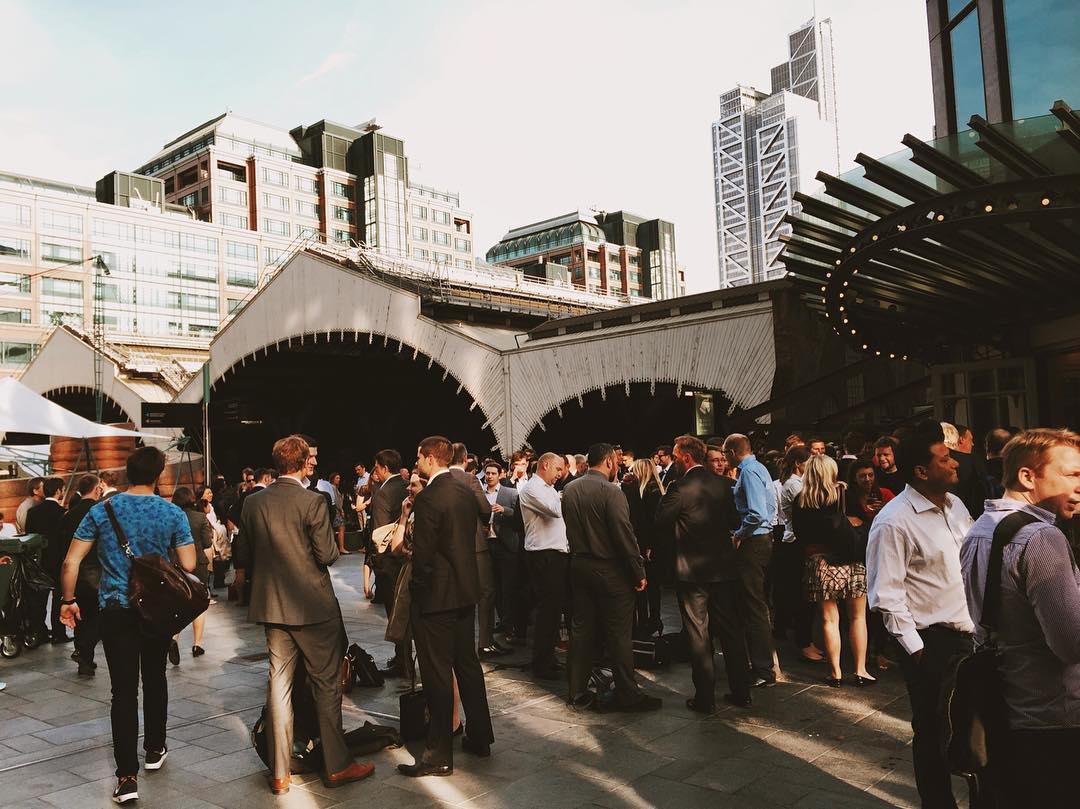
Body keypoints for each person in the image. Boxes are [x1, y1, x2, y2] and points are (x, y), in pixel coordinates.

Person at [58, 447, 197, 804]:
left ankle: (126, 777)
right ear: (158, 474)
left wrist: (68, 601)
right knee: (155, 677)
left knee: (122, 691)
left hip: (116, 608)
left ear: (126, 474)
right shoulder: (172, 512)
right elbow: (189, 563)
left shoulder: (101, 510)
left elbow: (72, 561)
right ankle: (155, 748)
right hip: (156, 609)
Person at [240, 435, 373, 795]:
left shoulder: (253, 502)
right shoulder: (313, 501)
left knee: (279, 686)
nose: (313, 464)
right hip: (313, 606)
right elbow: (328, 555)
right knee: (326, 685)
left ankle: (280, 771)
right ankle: (337, 765)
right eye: (310, 460)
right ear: (301, 464)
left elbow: (246, 554)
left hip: (272, 605)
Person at [960, 429, 1080, 808]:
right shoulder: (1042, 538)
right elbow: (1071, 644)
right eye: (1072, 475)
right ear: (1028, 476)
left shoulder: (980, 528)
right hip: (1053, 717)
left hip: (1003, 709)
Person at [867, 422, 974, 809]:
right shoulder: (894, 521)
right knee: (931, 731)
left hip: (971, 636)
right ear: (921, 471)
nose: (955, 463)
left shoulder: (956, 505)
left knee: (975, 730)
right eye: (945, 459)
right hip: (932, 642)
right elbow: (886, 595)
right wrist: (918, 651)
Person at [399, 436, 494, 777]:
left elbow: (423, 555)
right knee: (467, 666)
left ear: (429, 458)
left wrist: (417, 590)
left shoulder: (428, 498)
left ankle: (438, 754)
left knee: (437, 674)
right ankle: (480, 736)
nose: (416, 463)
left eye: (418, 457)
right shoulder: (464, 490)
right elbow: (477, 523)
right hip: (464, 591)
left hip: (436, 598)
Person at [562, 443, 660, 712]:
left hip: (579, 565)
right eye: (615, 461)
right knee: (619, 633)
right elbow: (623, 534)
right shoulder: (611, 491)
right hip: (609, 568)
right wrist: (638, 571)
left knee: (581, 630)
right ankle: (628, 693)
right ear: (608, 461)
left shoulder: (570, 489)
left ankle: (576, 691)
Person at [655, 435, 747, 710]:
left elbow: (660, 521)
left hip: (692, 570)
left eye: (675, 456)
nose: (673, 461)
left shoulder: (679, 488)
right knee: (731, 630)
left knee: (698, 633)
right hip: (723, 567)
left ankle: (705, 697)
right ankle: (741, 691)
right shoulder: (724, 484)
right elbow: (735, 520)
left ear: (685, 457)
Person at [792, 455, 875, 688]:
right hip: (851, 560)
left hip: (820, 562)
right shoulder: (844, 494)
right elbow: (863, 521)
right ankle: (860, 670)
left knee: (829, 619)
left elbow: (799, 533)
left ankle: (835, 672)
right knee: (858, 617)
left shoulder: (801, 499)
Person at [723, 433, 778, 687]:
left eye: (725, 454)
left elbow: (757, 512)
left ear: (733, 452)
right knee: (755, 603)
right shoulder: (759, 468)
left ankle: (763, 670)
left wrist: (739, 534)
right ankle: (761, 665)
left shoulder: (748, 471)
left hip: (753, 542)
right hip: (761, 540)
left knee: (754, 606)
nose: (724, 459)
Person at [518, 453, 570, 679]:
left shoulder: (549, 488)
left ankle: (548, 657)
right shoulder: (532, 488)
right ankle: (541, 664)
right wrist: (566, 495)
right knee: (547, 611)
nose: (560, 474)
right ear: (545, 465)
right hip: (543, 554)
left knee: (554, 611)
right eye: (558, 469)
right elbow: (555, 510)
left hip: (555, 554)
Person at [449, 443, 501, 658]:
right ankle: (485, 643)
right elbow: (485, 508)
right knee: (486, 592)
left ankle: (458, 644)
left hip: (449, 544)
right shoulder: (470, 479)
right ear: (465, 460)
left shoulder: (439, 479)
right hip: (474, 543)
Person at [775, 446, 822, 663]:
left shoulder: (797, 483)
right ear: (798, 464)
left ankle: (806, 640)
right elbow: (809, 510)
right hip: (796, 542)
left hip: (796, 540)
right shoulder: (794, 485)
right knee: (802, 594)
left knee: (802, 594)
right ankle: (804, 641)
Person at [367, 449, 408, 674]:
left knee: (394, 613)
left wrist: (378, 562)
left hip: (390, 561)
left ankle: (403, 661)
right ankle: (403, 658)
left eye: (377, 467)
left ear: (384, 467)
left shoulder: (383, 493)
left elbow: (379, 533)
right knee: (405, 611)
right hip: (407, 556)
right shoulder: (407, 486)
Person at [61, 475, 102, 676]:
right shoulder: (100, 512)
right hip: (96, 571)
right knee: (96, 617)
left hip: (74, 573)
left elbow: (62, 547)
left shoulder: (68, 515)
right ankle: (84, 652)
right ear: (97, 490)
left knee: (79, 614)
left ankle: (84, 658)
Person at [482, 461, 525, 646]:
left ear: (500, 474)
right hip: (487, 543)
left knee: (508, 587)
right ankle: (502, 622)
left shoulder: (510, 493)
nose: (490, 476)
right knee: (493, 588)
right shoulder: (481, 494)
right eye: (487, 473)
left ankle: (510, 626)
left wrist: (504, 510)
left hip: (506, 544)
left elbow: (519, 516)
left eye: (493, 473)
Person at [622, 457, 666, 635]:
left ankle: (649, 621)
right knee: (653, 585)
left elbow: (650, 523)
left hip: (648, 544)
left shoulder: (649, 491)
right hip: (654, 544)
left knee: (646, 584)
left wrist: (649, 545)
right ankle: (654, 619)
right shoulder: (656, 489)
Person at [171, 487, 214, 660]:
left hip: (176, 564)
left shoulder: (171, 517)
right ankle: (197, 644)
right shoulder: (200, 517)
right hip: (198, 564)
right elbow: (207, 542)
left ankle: (173, 638)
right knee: (200, 603)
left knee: (177, 603)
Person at [27, 477, 69, 645]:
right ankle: (59, 633)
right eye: (63, 489)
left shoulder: (33, 512)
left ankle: (39, 633)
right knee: (59, 597)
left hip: (40, 561)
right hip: (58, 560)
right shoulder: (63, 513)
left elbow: (29, 538)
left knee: (39, 600)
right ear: (58, 491)